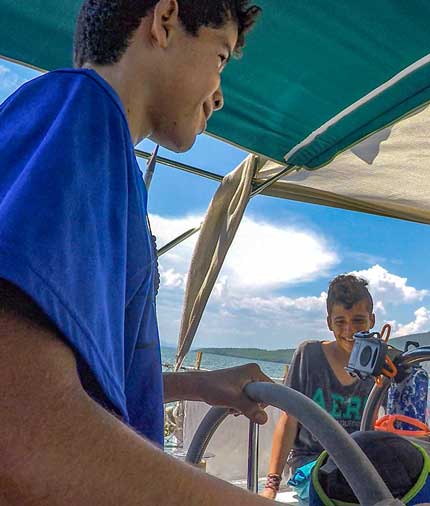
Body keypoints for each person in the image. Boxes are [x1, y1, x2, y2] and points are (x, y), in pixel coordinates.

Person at [0, 1, 285, 505]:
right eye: (220, 58)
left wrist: (196, 385)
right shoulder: (79, 112)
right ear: (165, 20)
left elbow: (82, 378)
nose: (219, 97)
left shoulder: (103, 155)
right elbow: (20, 431)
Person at [261, 274, 379, 499]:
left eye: (358, 321)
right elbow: (289, 420)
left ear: (371, 321)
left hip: (357, 467)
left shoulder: (379, 365)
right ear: (329, 322)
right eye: (340, 321)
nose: (349, 331)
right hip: (310, 463)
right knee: (334, 491)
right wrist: (271, 486)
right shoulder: (308, 355)